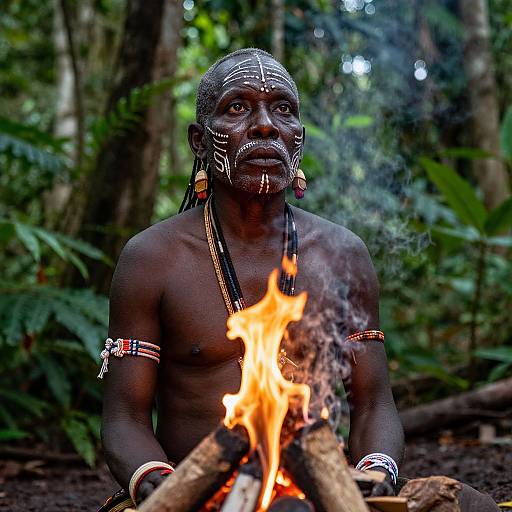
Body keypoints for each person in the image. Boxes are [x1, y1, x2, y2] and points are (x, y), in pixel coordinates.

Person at [98, 48, 498, 511]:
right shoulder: (152, 258)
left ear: (299, 140)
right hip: (200, 498)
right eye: (237, 107)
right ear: (199, 142)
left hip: (321, 495)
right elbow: (125, 417)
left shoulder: (342, 253)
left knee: (469, 506)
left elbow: (373, 404)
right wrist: (161, 488)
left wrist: (375, 473)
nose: (265, 125)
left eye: (282, 109)